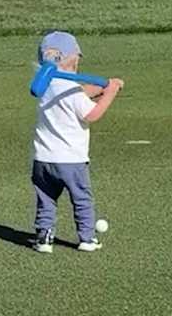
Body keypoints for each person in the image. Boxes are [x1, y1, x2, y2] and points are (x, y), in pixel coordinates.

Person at [30, 31, 124, 254]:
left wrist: (102, 88)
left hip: (43, 159)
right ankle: (87, 238)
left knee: (46, 200)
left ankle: (44, 238)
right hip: (71, 160)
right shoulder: (71, 90)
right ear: (74, 59)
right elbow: (91, 114)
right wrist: (109, 93)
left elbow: (80, 93)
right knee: (82, 198)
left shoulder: (46, 87)